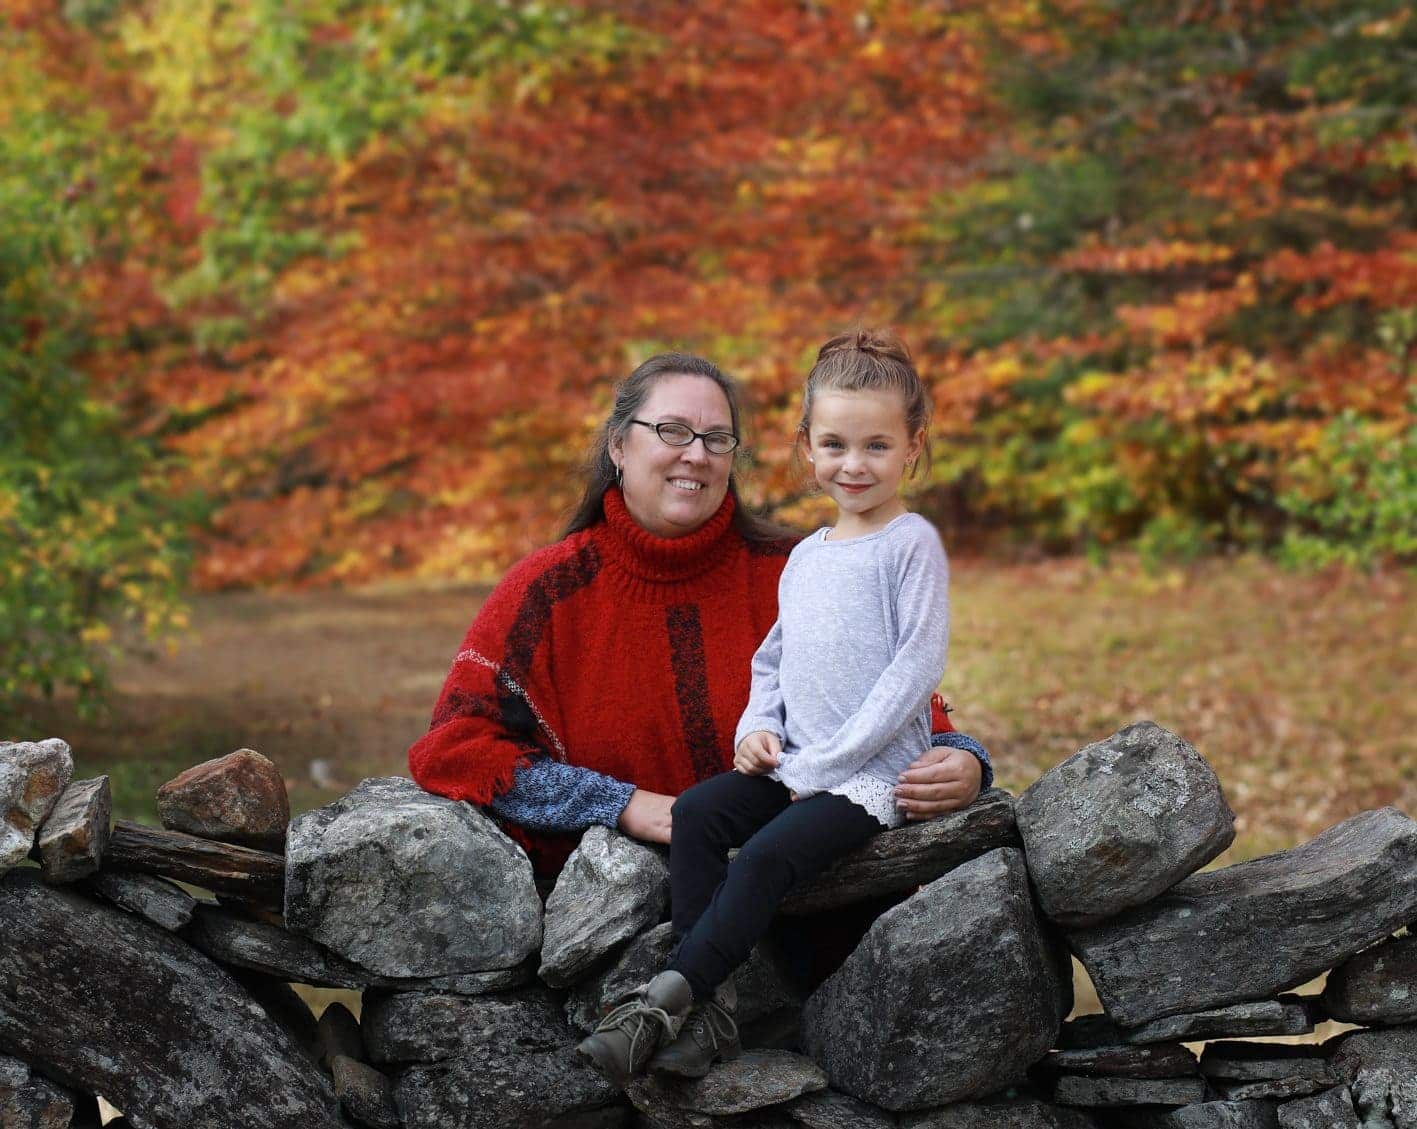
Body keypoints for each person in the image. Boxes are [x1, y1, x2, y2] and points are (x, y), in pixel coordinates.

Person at [407, 351, 991, 882]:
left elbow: (900, 709)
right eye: (673, 431)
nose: (697, 454)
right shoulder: (545, 591)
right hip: (610, 921)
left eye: (717, 438)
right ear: (618, 445)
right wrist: (622, 804)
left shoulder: (797, 568)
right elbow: (455, 748)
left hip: (813, 896)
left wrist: (965, 760)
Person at [576, 330, 960, 1087]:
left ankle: (661, 1002)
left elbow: (913, 672)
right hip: (795, 762)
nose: (854, 464)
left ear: (912, 448)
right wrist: (757, 727)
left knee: (761, 857)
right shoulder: (807, 554)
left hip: (869, 779)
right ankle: (710, 1011)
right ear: (806, 448)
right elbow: (773, 660)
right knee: (697, 814)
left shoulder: (909, 545)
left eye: (876, 446)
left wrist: (830, 762)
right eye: (835, 444)